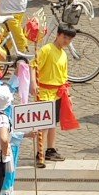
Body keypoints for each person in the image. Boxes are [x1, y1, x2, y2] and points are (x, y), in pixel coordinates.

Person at [32, 25, 78, 167]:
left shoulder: (63, 53)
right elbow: (33, 65)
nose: (66, 41)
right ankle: (40, 153)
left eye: (69, 39)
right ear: (58, 35)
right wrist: (33, 83)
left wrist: (67, 93)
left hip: (58, 92)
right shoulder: (46, 50)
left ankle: (50, 149)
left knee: (53, 123)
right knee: (44, 124)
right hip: (45, 92)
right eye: (64, 37)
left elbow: (63, 75)